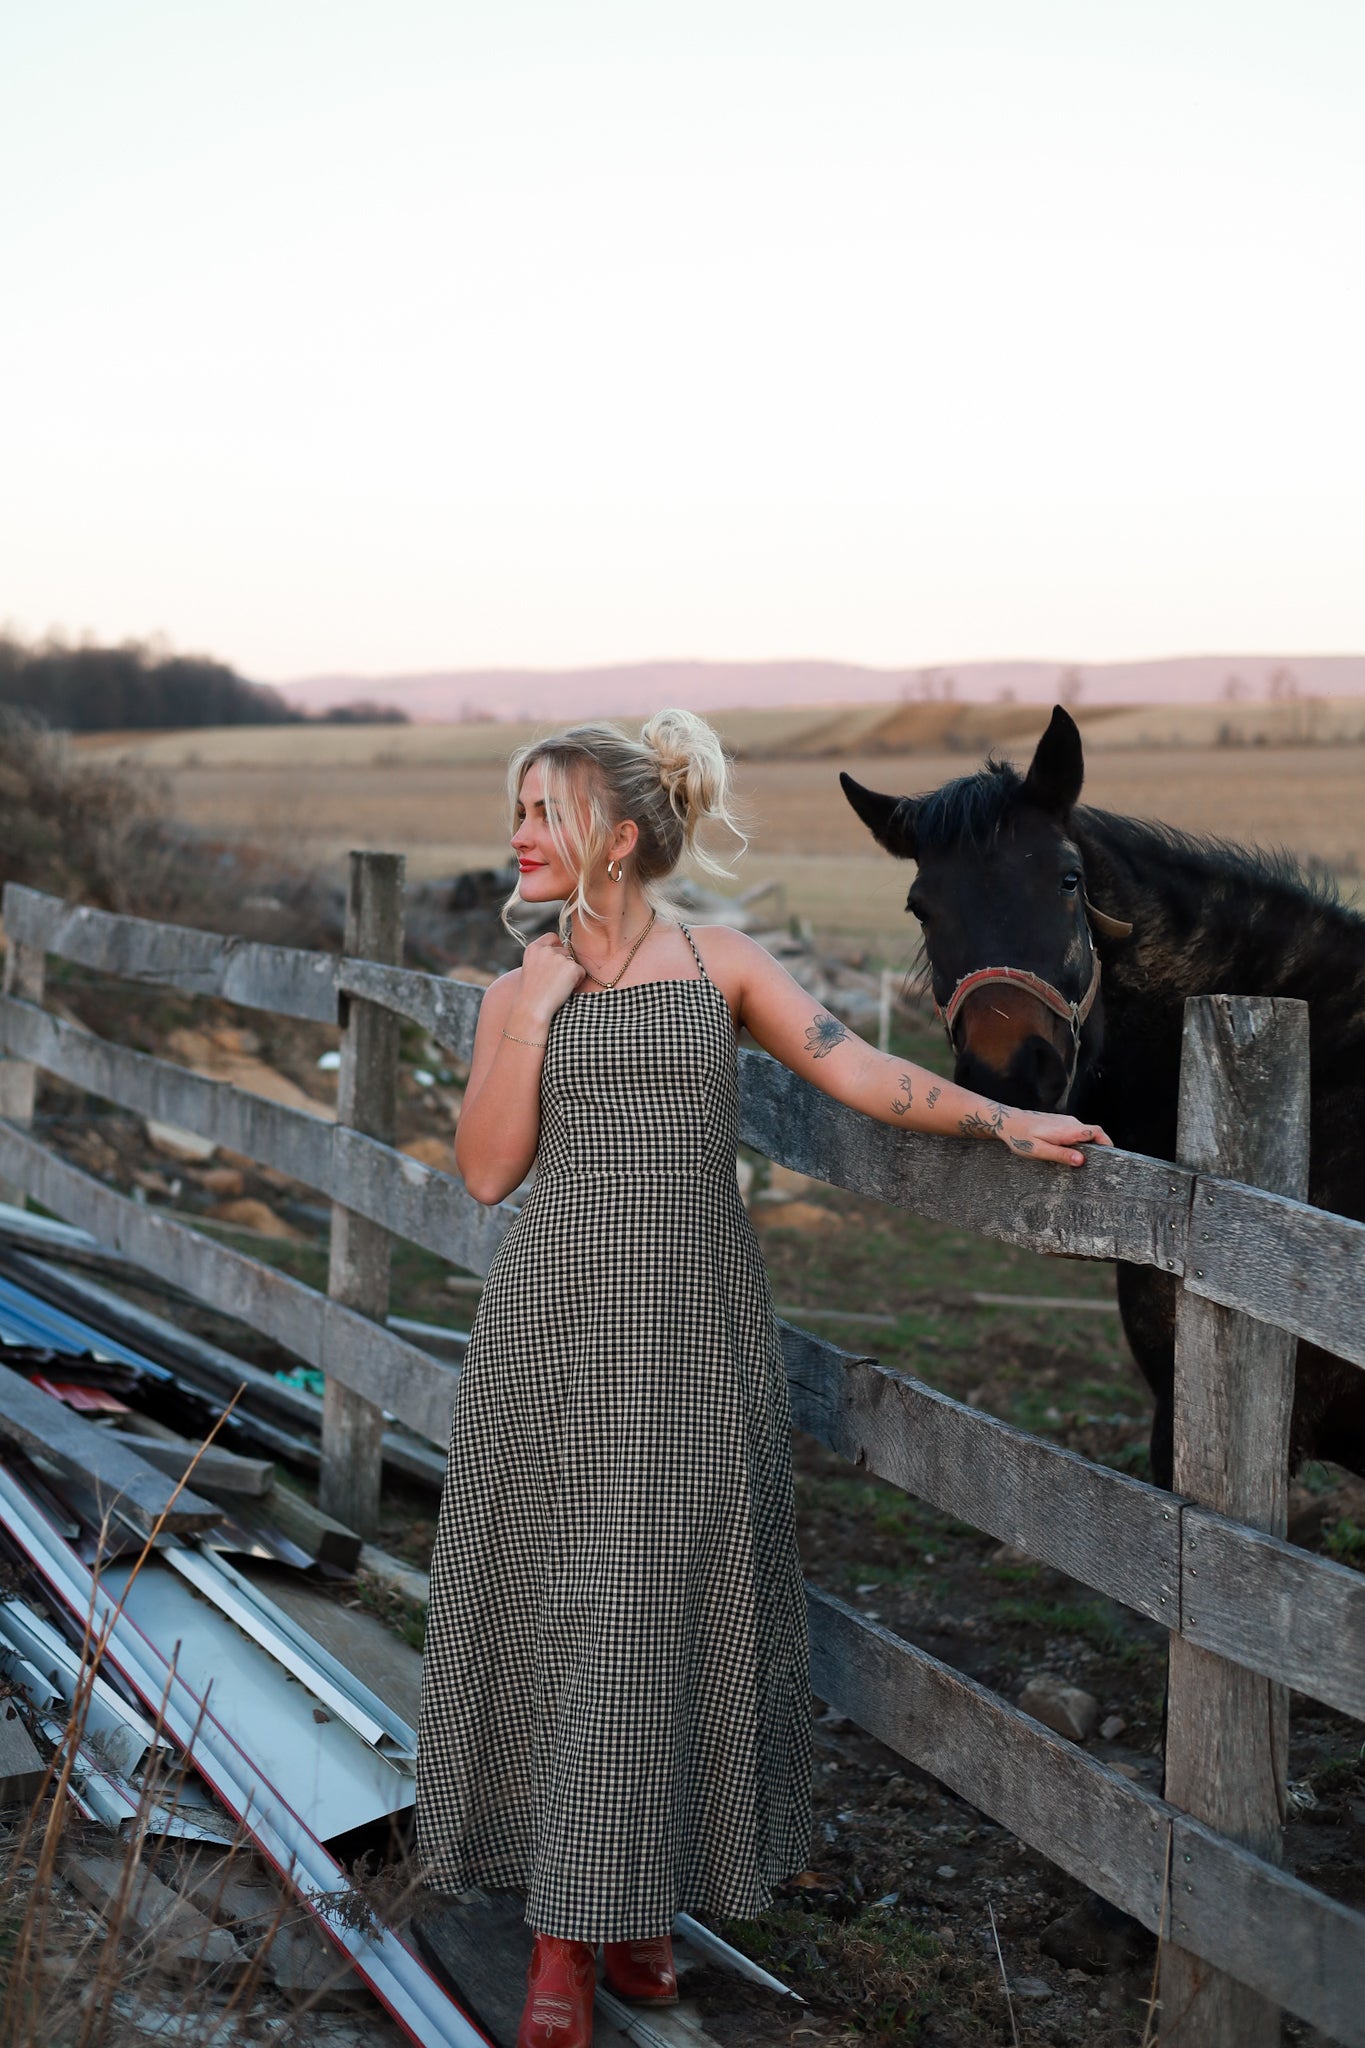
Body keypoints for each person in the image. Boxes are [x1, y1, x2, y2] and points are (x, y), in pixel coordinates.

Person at [415, 710, 1111, 2048]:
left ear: (616, 838)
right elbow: (490, 1172)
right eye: (514, 813)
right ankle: (566, 1938)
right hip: (554, 1328)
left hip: (695, 1325)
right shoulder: (517, 990)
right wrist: (529, 1020)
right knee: (575, 1611)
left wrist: (999, 1115)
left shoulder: (716, 962)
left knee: (671, 1604)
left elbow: (855, 1070)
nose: (512, 837)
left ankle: (633, 1908)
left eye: (538, 815)